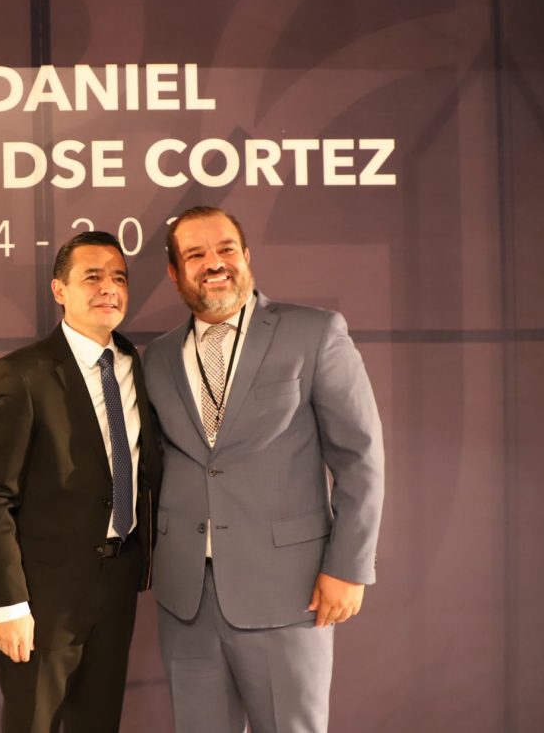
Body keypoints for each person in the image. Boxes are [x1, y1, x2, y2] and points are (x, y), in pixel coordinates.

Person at [143, 206, 385, 732]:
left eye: (226, 248)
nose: (214, 263)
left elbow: (360, 457)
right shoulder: (157, 358)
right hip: (187, 599)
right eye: (196, 254)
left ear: (247, 256)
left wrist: (349, 567)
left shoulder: (314, 332)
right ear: (175, 273)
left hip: (289, 592)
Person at [0, 230, 162, 733]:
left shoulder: (136, 365)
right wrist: (8, 604)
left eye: (119, 278)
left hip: (117, 584)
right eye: (92, 277)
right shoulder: (22, 373)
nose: (109, 288)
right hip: (42, 599)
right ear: (60, 290)